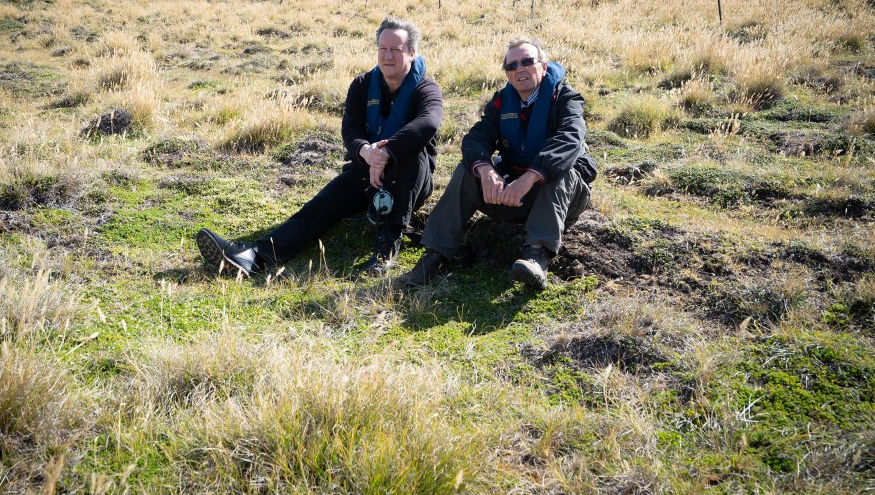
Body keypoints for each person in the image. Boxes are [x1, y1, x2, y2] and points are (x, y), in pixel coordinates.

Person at [197, 16, 443, 278]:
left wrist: (386, 153)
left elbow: (428, 123)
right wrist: (366, 153)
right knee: (319, 207)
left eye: (396, 49)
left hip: (410, 180)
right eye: (383, 48)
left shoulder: (425, 88)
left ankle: (385, 252)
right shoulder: (362, 85)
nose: (388, 56)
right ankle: (254, 257)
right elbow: (350, 130)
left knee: (414, 153)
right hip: (364, 171)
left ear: (412, 53)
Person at [401, 36, 596, 290]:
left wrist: (529, 178)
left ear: (544, 67)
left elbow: (569, 141)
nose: (520, 69)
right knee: (468, 170)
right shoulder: (502, 101)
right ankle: (435, 255)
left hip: (561, 198)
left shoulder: (566, 99)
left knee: (561, 171)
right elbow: (476, 138)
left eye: (527, 61)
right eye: (512, 65)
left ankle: (537, 257)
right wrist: (486, 170)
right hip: (512, 197)